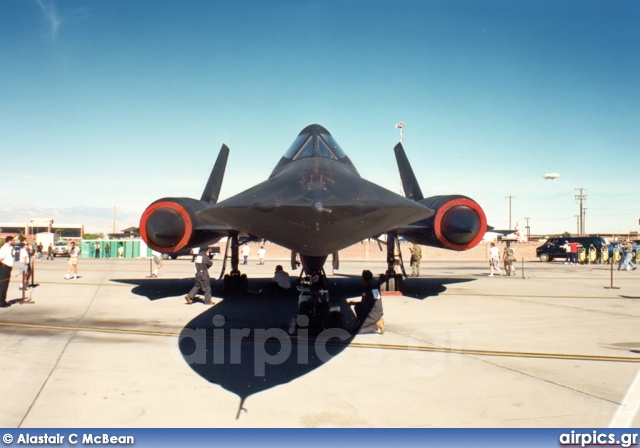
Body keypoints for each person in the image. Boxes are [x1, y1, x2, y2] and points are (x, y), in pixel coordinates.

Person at [353, 270, 384, 334]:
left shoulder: (367, 289)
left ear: (363, 279)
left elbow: (365, 306)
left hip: (373, 314)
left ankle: (376, 325)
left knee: (357, 330)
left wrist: (361, 321)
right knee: (357, 306)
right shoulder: (374, 287)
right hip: (378, 312)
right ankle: (371, 323)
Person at [0, 236, 16, 307]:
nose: (14, 241)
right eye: (13, 240)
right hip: (4, 267)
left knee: (5, 285)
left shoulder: (10, 247)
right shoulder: (4, 248)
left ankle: (3, 300)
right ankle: (1, 302)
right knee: (3, 285)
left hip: (8, 268)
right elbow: (0, 258)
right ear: (10, 240)